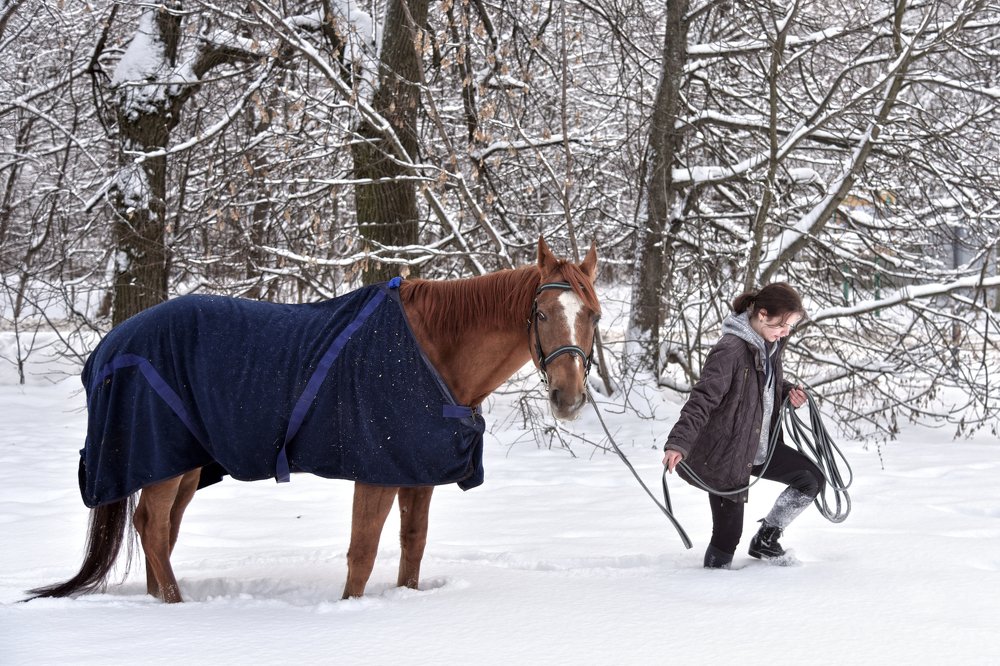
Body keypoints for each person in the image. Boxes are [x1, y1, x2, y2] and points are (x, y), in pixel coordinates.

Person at [662, 283, 824, 569]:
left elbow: (757, 385)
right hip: (728, 456)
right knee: (727, 539)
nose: (786, 332)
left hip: (761, 447)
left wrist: (786, 392)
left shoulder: (769, 344)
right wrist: (679, 442)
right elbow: (703, 399)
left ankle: (766, 539)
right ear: (763, 315)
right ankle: (708, 590)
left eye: (791, 327)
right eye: (784, 325)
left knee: (811, 480)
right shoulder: (730, 350)